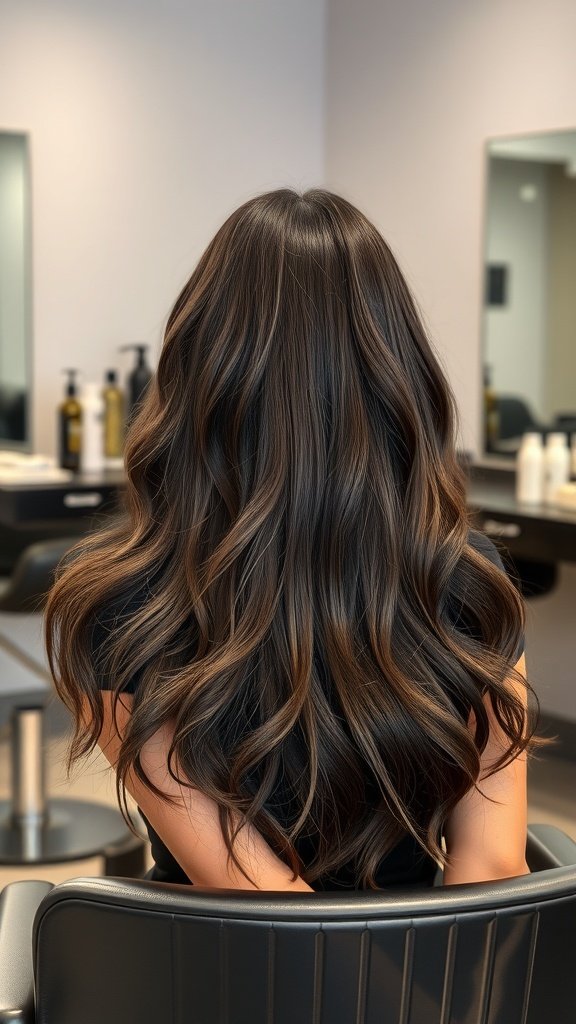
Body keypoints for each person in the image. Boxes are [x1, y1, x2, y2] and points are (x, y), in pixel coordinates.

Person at [45, 188, 537, 893]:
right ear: (396, 375)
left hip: (206, 981)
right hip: (418, 971)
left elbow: (253, 895)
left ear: (197, 375)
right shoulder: (465, 581)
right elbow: (489, 868)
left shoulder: (121, 603)